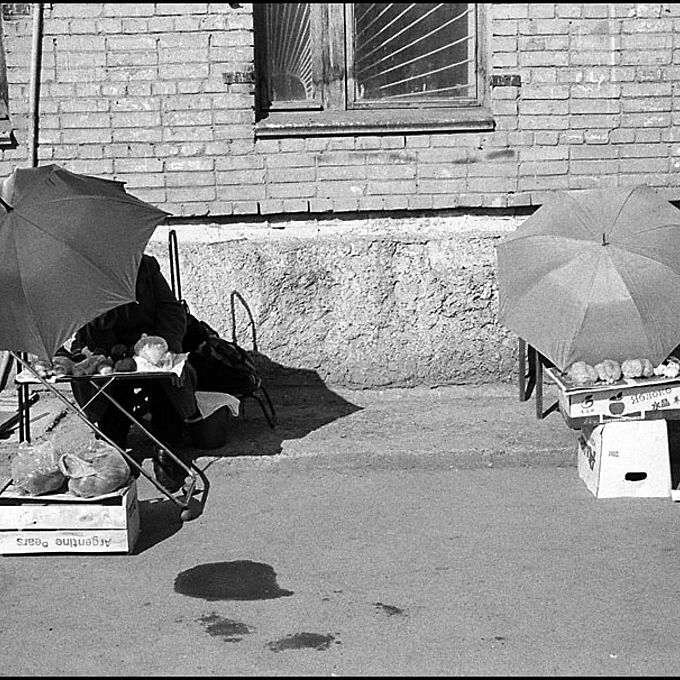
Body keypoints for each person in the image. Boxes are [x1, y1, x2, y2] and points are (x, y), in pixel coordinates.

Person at [63, 254, 200, 492]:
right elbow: (86, 333)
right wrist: (101, 326)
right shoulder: (86, 275)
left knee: (163, 379)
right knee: (113, 382)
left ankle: (165, 446)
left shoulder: (146, 266)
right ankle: (113, 445)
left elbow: (170, 309)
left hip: (151, 343)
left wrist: (166, 347)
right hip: (108, 348)